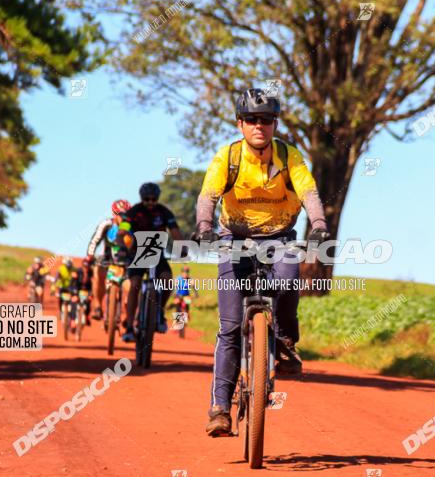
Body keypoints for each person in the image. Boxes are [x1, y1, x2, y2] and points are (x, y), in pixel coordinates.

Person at [195, 88, 329, 437]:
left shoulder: (289, 156)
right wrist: (205, 227)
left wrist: (319, 225)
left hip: (279, 236)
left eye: (266, 119)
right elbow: (207, 196)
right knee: (228, 327)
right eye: (252, 119)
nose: (259, 125)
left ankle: (284, 343)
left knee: (286, 283)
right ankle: (220, 408)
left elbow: (309, 193)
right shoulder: (228, 157)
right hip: (233, 237)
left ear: (274, 124)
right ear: (240, 123)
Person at [121, 182, 183, 342]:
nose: (150, 202)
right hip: (137, 253)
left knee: (168, 282)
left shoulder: (164, 213)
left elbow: (175, 232)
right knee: (134, 284)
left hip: (157, 253)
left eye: (153, 199)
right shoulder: (133, 211)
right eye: (147, 199)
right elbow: (122, 231)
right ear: (142, 199)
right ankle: (129, 327)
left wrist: (182, 247)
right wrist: (122, 245)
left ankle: (158, 312)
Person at [86, 200, 131, 321]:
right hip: (107, 259)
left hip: (126, 261)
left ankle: (128, 317)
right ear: (113, 214)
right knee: (97, 272)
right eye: (118, 214)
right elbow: (95, 240)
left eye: (125, 214)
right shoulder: (106, 224)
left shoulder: (133, 227)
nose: (121, 217)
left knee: (133, 286)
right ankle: (98, 306)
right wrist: (90, 255)